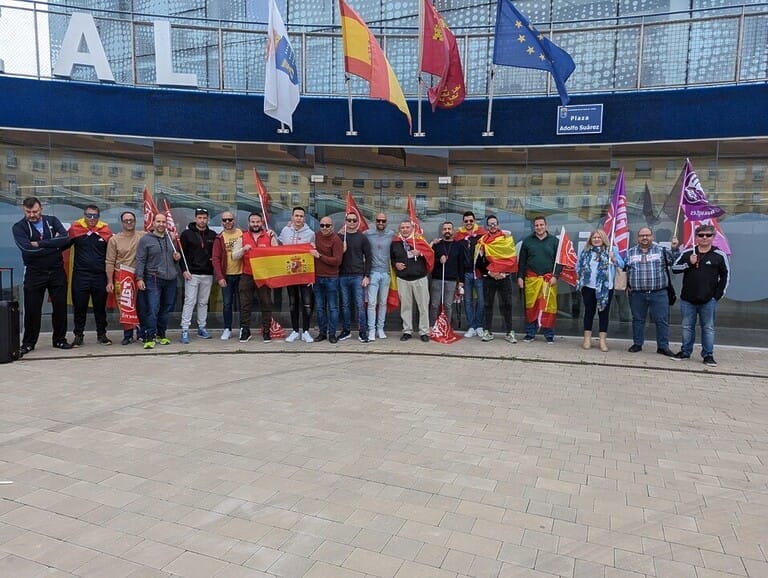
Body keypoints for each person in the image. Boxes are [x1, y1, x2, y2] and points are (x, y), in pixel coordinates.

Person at [11, 196, 73, 354]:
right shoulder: (19, 227)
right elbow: (27, 249)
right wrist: (54, 244)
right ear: (23, 210)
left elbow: (66, 239)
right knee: (32, 310)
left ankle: (59, 339)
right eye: (28, 212)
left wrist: (40, 243)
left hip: (57, 272)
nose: (32, 215)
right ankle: (29, 343)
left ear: (41, 209)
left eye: (35, 211)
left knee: (60, 308)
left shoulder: (52, 220)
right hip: (34, 273)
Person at [671, 224, 729, 366]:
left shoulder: (719, 255)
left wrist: (717, 296)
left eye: (708, 235)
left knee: (708, 328)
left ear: (713, 237)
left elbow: (726, 276)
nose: (704, 237)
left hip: (708, 300)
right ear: (696, 237)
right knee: (687, 327)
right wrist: (689, 263)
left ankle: (708, 355)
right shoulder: (688, 252)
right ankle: (685, 352)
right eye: (701, 235)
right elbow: (674, 268)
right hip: (688, 299)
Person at [624, 227, 678, 356]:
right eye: (642, 235)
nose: (644, 238)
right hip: (637, 294)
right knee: (638, 319)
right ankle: (637, 344)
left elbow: (675, 263)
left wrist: (675, 249)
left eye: (647, 235)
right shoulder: (630, 253)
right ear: (638, 238)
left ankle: (663, 347)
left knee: (662, 320)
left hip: (658, 292)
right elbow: (624, 270)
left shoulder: (662, 251)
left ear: (652, 237)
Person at [68, 205, 113, 347]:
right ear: (84, 215)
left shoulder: (105, 230)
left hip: (100, 276)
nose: (91, 219)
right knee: (79, 307)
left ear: (98, 217)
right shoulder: (76, 228)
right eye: (89, 215)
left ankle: (102, 335)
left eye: (94, 216)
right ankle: (78, 335)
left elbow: (113, 250)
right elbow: (62, 245)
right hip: (81, 275)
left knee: (100, 308)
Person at [135, 213, 181, 349]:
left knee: (165, 309)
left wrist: (176, 258)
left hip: (170, 279)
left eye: (163, 222)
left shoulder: (170, 239)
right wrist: (139, 278)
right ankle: (149, 336)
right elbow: (141, 260)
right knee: (153, 309)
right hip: (153, 279)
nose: (161, 224)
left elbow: (173, 260)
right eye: (158, 221)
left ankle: (162, 334)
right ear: (153, 223)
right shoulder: (145, 240)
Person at [575, 229, 624, 352]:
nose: (596, 239)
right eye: (594, 237)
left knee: (604, 314)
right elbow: (578, 266)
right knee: (589, 312)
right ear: (590, 239)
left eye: (599, 237)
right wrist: (580, 275)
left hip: (606, 288)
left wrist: (614, 259)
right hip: (589, 287)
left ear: (603, 239)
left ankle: (602, 341)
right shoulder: (585, 252)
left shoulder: (612, 251)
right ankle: (587, 339)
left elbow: (622, 264)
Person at [233, 212, 277, 343]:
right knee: (245, 304)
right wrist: (243, 250)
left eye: (258, 222)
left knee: (266, 303)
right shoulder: (242, 237)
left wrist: (274, 237)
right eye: (253, 222)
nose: (255, 224)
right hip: (247, 275)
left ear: (261, 222)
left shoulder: (269, 236)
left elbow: (277, 252)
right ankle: (245, 330)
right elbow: (234, 256)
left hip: (264, 275)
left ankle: (266, 330)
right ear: (249, 223)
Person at [517, 216, 561, 343]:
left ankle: (549, 335)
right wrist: (520, 277)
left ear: (546, 225)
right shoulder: (527, 241)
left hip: (549, 280)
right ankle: (530, 333)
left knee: (549, 307)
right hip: (531, 279)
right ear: (534, 227)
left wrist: (555, 276)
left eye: (541, 225)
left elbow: (559, 262)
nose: (539, 227)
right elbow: (522, 262)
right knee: (531, 306)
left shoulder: (554, 241)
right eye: (536, 225)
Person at [476, 215, 518, 343]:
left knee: (507, 304)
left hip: (504, 277)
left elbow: (511, 257)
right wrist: (490, 272)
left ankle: (509, 332)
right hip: (489, 278)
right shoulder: (482, 241)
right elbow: (479, 262)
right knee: (488, 305)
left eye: (494, 224)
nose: (492, 226)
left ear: (498, 225)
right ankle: (487, 331)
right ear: (487, 227)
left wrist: (502, 273)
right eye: (490, 224)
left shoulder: (506, 239)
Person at [106, 210, 146, 345]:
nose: (129, 222)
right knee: (125, 306)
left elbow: (159, 234)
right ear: (121, 222)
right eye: (126, 220)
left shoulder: (143, 236)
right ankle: (128, 335)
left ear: (135, 221)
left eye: (131, 220)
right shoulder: (114, 239)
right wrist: (109, 281)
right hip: (121, 277)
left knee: (140, 306)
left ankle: (141, 333)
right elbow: (109, 261)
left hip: (139, 276)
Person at [391, 220, 434, 342]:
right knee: (405, 307)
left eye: (407, 227)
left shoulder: (419, 241)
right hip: (403, 279)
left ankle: (424, 331)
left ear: (412, 228)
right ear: (400, 229)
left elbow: (430, 254)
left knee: (423, 307)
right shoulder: (395, 242)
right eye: (402, 227)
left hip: (419, 278)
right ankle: (407, 331)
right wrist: (396, 264)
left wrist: (420, 253)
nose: (405, 229)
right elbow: (392, 258)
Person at [178, 208, 216, 344]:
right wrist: (183, 270)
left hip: (207, 274)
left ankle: (201, 327)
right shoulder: (186, 234)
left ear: (208, 219)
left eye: (204, 218)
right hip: (192, 273)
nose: (202, 220)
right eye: (199, 218)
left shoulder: (212, 234)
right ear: (195, 219)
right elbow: (181, 254)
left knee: (203, 302)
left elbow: (216, 255)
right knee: (190, 301)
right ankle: (185, 329)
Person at [278, 207, 315, 343]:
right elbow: (278, 248)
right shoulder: (285, 231)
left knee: (307, 304)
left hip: (304, 274)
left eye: (301, 216)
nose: (298, 218)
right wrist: (271, 235)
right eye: (296, 215)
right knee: (293, 303)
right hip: (289, 273)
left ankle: (305, 331)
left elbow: (313, 253)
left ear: (304, 218)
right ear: (292, 217)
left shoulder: (310, 233)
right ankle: (294, 330)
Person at [338, 212, 372, 342]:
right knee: (345, 305)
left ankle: (362, 332)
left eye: (354, 220)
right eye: (349, 220)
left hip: (358, 276)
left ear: (357, 222)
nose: (351, 222)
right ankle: (346, 331)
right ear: (345, 221)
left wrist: (366, 276)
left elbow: (369, 257)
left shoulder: (362, 238)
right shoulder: (340, 237)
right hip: (342, 276)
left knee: (360, 305)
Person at [310, 216, 343, 343]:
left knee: (333, 308)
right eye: (322, 225)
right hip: (317, 278)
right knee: (320, 308)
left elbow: (337, 261)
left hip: (331, 278)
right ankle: (322, 333)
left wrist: (319, 256)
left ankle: (332, 334)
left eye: (327, 225)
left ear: (332, 227)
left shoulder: (336, 240)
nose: (324, 228)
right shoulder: (315, 236)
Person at [453, 211, 486, 338]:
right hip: (465, 274)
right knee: (467, 301)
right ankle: (471, 326)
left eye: (471, 221)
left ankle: (479, 325)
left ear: (474, 221)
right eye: (466, 221)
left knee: (481, 301)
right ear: (463, 222)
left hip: (479, 273)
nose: (468, 223)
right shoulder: (459, 236)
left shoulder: (482, 234)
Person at [212, 211, 242, 340]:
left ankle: (243, 328)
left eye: (230, 219)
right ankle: (227, 328)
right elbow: (215, 258)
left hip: (242, 274)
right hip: (227, 276)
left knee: (243, 304)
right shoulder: (219, 238)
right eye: (225, 220)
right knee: (227, 304)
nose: (227, 222)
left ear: (234, 220)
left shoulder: (243, 234)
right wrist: (220, 277)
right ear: (222, 222)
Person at [365, 212, 394, 340]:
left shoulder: (392, 234)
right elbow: (353, 238)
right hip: (372, 273)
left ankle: (380, 328)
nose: (381, 223)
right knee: (371, 303)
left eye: (383, 221)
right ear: (374, 221)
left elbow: (407, 240)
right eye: (378, 220)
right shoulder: (367, 234)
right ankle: (371, 330)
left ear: (386, 222)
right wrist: (342, 233)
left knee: (383, 303)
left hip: (386, 273)